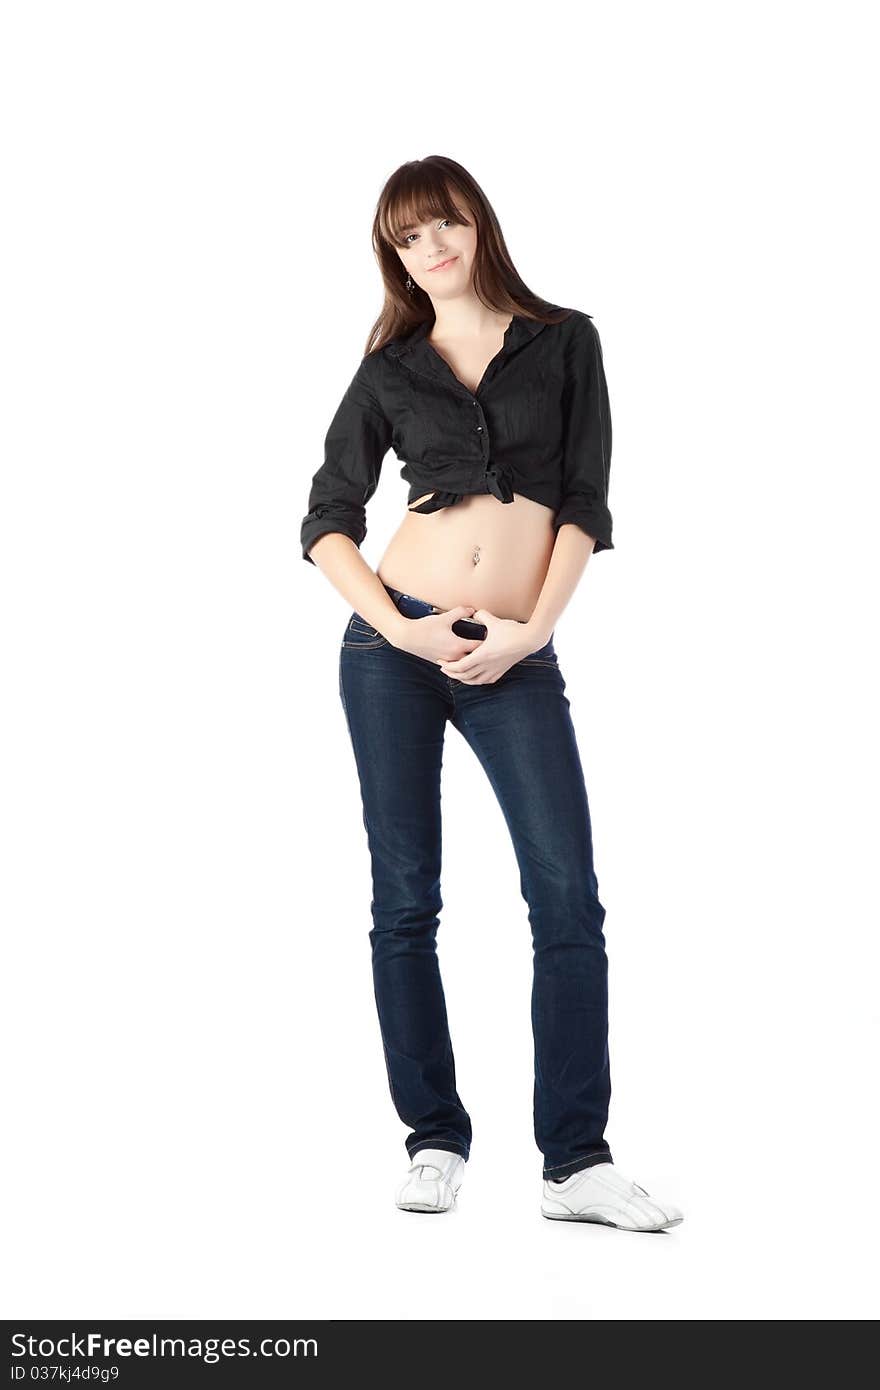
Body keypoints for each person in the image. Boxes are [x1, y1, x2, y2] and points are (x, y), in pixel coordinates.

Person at [300, 155, 683, 1232]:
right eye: (407, 239)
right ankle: (432, 1138)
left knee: (565, 894)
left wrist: (534, 632)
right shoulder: (389, 367)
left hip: (516, 647)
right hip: (392, 652)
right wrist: (397, 627)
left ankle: (576, 1162)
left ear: (478, 223)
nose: (431, 249)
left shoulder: (564, 342)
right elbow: (327, 518)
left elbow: (582, 502)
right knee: (404, 897)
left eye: (444, 225)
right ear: (396, 257)